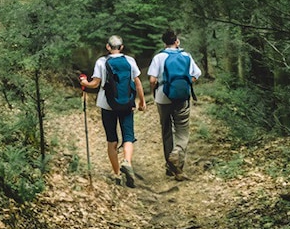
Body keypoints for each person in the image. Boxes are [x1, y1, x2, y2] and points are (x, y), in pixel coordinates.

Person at [79, 35, 147, 187]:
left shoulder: (101, 62)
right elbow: (137, 83)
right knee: (128, 137)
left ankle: (117, 174)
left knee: (112, 140)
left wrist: (84, 82)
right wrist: (141, 102)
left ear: (108, 47)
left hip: (107, 105)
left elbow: (95, 84)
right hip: (127, 103)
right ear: (122, 47)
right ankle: (127, 162)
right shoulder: (130, 61)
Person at [148, 29, 202, 179]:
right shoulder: (186, 56)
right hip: (182, 97)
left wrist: (154, 91)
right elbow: (196, 74)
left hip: (163, 97)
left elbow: (152, 80)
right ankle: (178, 156)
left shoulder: (159, 57)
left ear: (164, 42)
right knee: (182, 130)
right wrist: (184, 84)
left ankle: (170, 167)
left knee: (166, 130)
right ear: (177, 41)